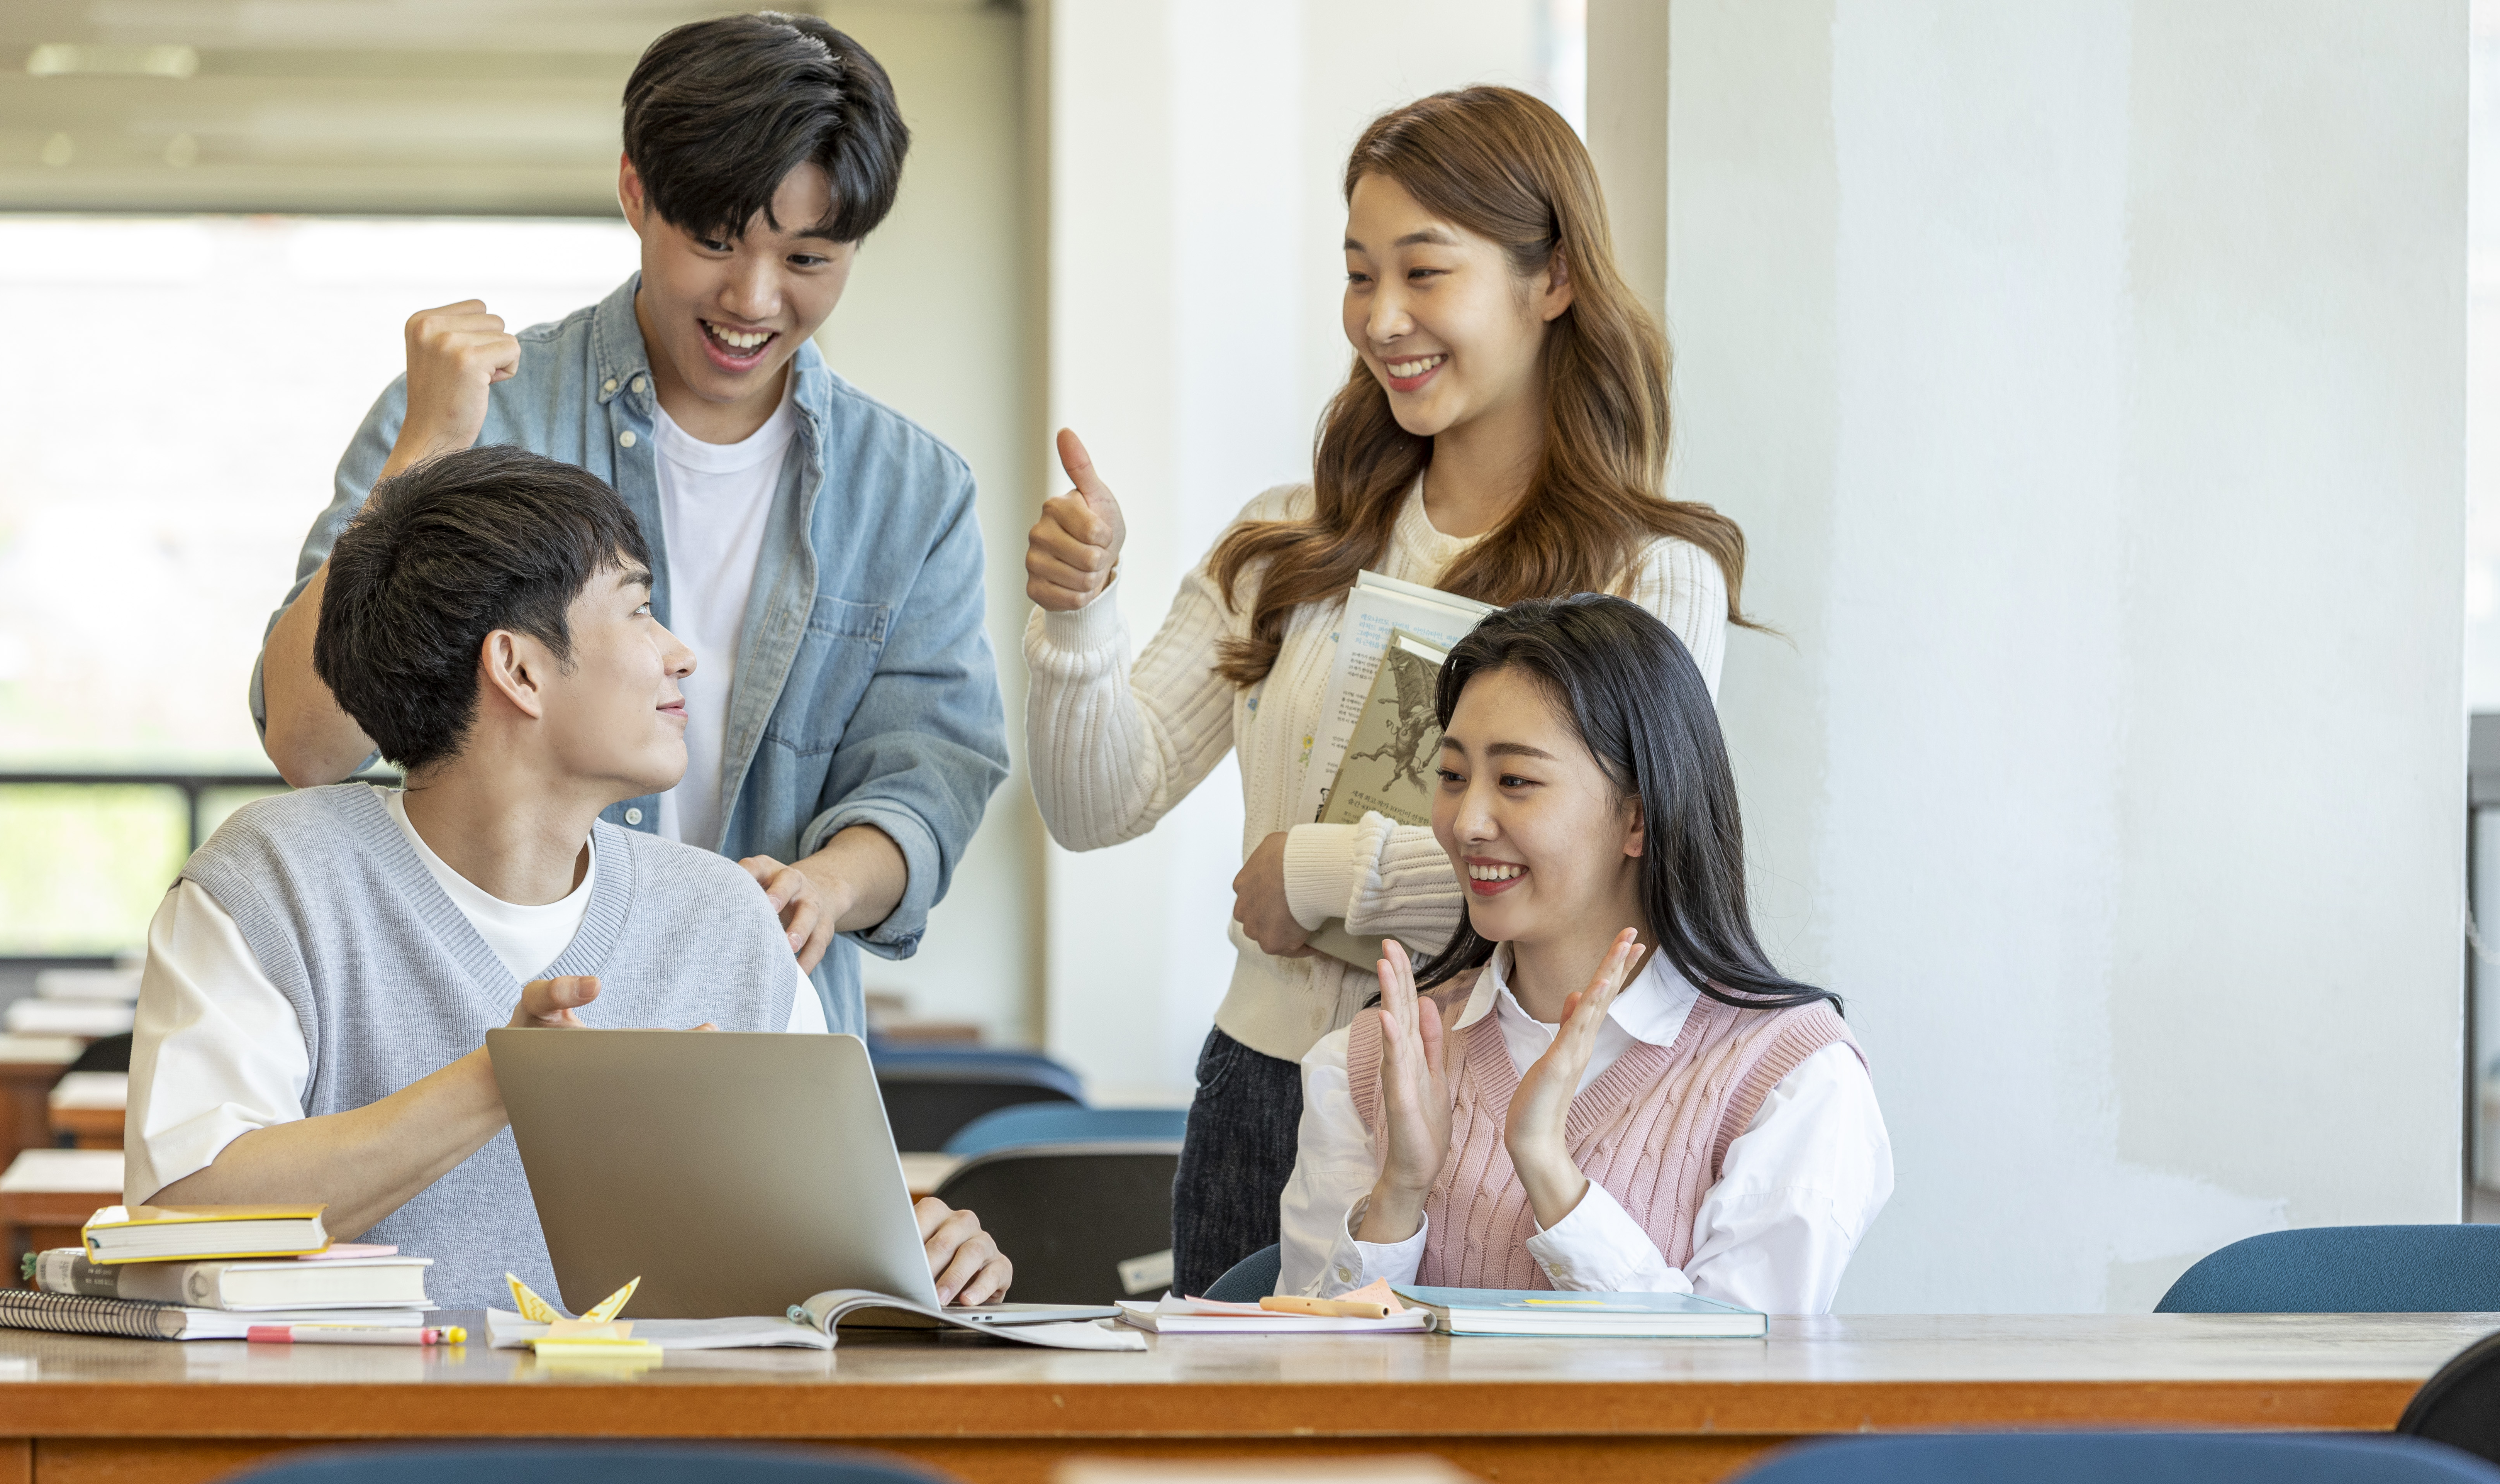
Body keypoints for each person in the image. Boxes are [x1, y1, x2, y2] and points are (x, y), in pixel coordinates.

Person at [1024, 85, 1750, 1294]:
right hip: (1259, 1089)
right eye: (1360, 275)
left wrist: (1312, 873)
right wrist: (1078, 611)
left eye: (1426, 273)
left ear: (1552, 280)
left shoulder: (1648, 579)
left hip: (1495, 1102)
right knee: (1243, 1469)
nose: (1382, 317)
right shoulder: (1283, 537)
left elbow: (1611, 873)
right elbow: (1098, 801)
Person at [250, 11, 1006, 1036]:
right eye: (715, 242)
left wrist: (829, 884)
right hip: (470, 1026)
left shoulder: (911, 492)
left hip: (759, 1039)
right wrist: (428, 446)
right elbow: (309, 743)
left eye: (810, 259)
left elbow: (933, 773)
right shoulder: (481, 410)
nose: (754, 298)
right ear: (635, 192)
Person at [127, 447, 1012, 1311]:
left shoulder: (724, 917)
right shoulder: (275, 879)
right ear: (517, 668)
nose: (682, 654)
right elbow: (184, 1211)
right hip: (357, 1450)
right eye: (639, 611)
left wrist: (918, 1261)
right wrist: (507, 1081)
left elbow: (815, 1276)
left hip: (668, 1448)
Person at [1276, 595, 1890, 1311]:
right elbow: (1310, 1375)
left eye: (1516, 781)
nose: (1467, 822)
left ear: (1638, 818)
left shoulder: (1796, 1078)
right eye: (1451, 776)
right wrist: (1401, 1191)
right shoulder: (1366, 1063)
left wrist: (1550, 1173)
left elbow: (1737, 1384)